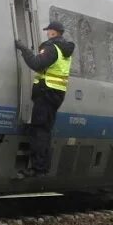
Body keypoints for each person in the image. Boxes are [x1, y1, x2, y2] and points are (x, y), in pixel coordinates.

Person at [14, 21, 76, 175]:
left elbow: (36, 63)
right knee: (44, 130)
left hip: (46, 93)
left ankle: (38, 168)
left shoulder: (52, 48)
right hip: (56, 93)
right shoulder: (64, 50)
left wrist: (23, 49)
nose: (47, 33)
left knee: (39, 131)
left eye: (49, 31)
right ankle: (42, 166)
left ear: (54, 32)